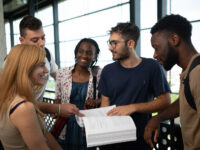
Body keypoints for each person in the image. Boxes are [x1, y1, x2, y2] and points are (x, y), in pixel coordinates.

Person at [98, 22, 171, 150]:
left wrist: (133, 107)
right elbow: (105, 104)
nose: (110, 47)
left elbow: (165, 101)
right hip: (112, 141)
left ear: (130, 44)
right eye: (109, 43)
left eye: (115, 43)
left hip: (141, 139)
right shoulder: (107, 70)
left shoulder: (152, 67)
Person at [144, 14, 200, 150]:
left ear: (174, 39)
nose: (154, 55)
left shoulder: (198, 73)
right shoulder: (189, 71)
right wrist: (158, 118)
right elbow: (185, 101)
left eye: (156, 47)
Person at [0, 44, 62, 150]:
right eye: (42, 65)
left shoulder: (9, 97)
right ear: (26, 68)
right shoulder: (23, 107)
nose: (47, 70)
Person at [19, 15, 79, 117]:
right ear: (22, 41)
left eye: (43, 38)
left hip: (37, 115)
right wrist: (57, 108)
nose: (42, 43)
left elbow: (59, 77)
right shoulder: (13, 63)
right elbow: (20, 103)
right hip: (20, 117)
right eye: (35, 40)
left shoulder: (46, 54)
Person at [55, 38, 102, 149]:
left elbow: (105, 98)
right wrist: (56, 109)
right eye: (81, 51)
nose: (84, 56)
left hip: (88, 125)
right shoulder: (62, 73)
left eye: (89, 53)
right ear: (76, 53)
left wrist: (95, 102)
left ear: (95, 56)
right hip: (65, 124)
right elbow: (58, 97)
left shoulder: (99, 74)